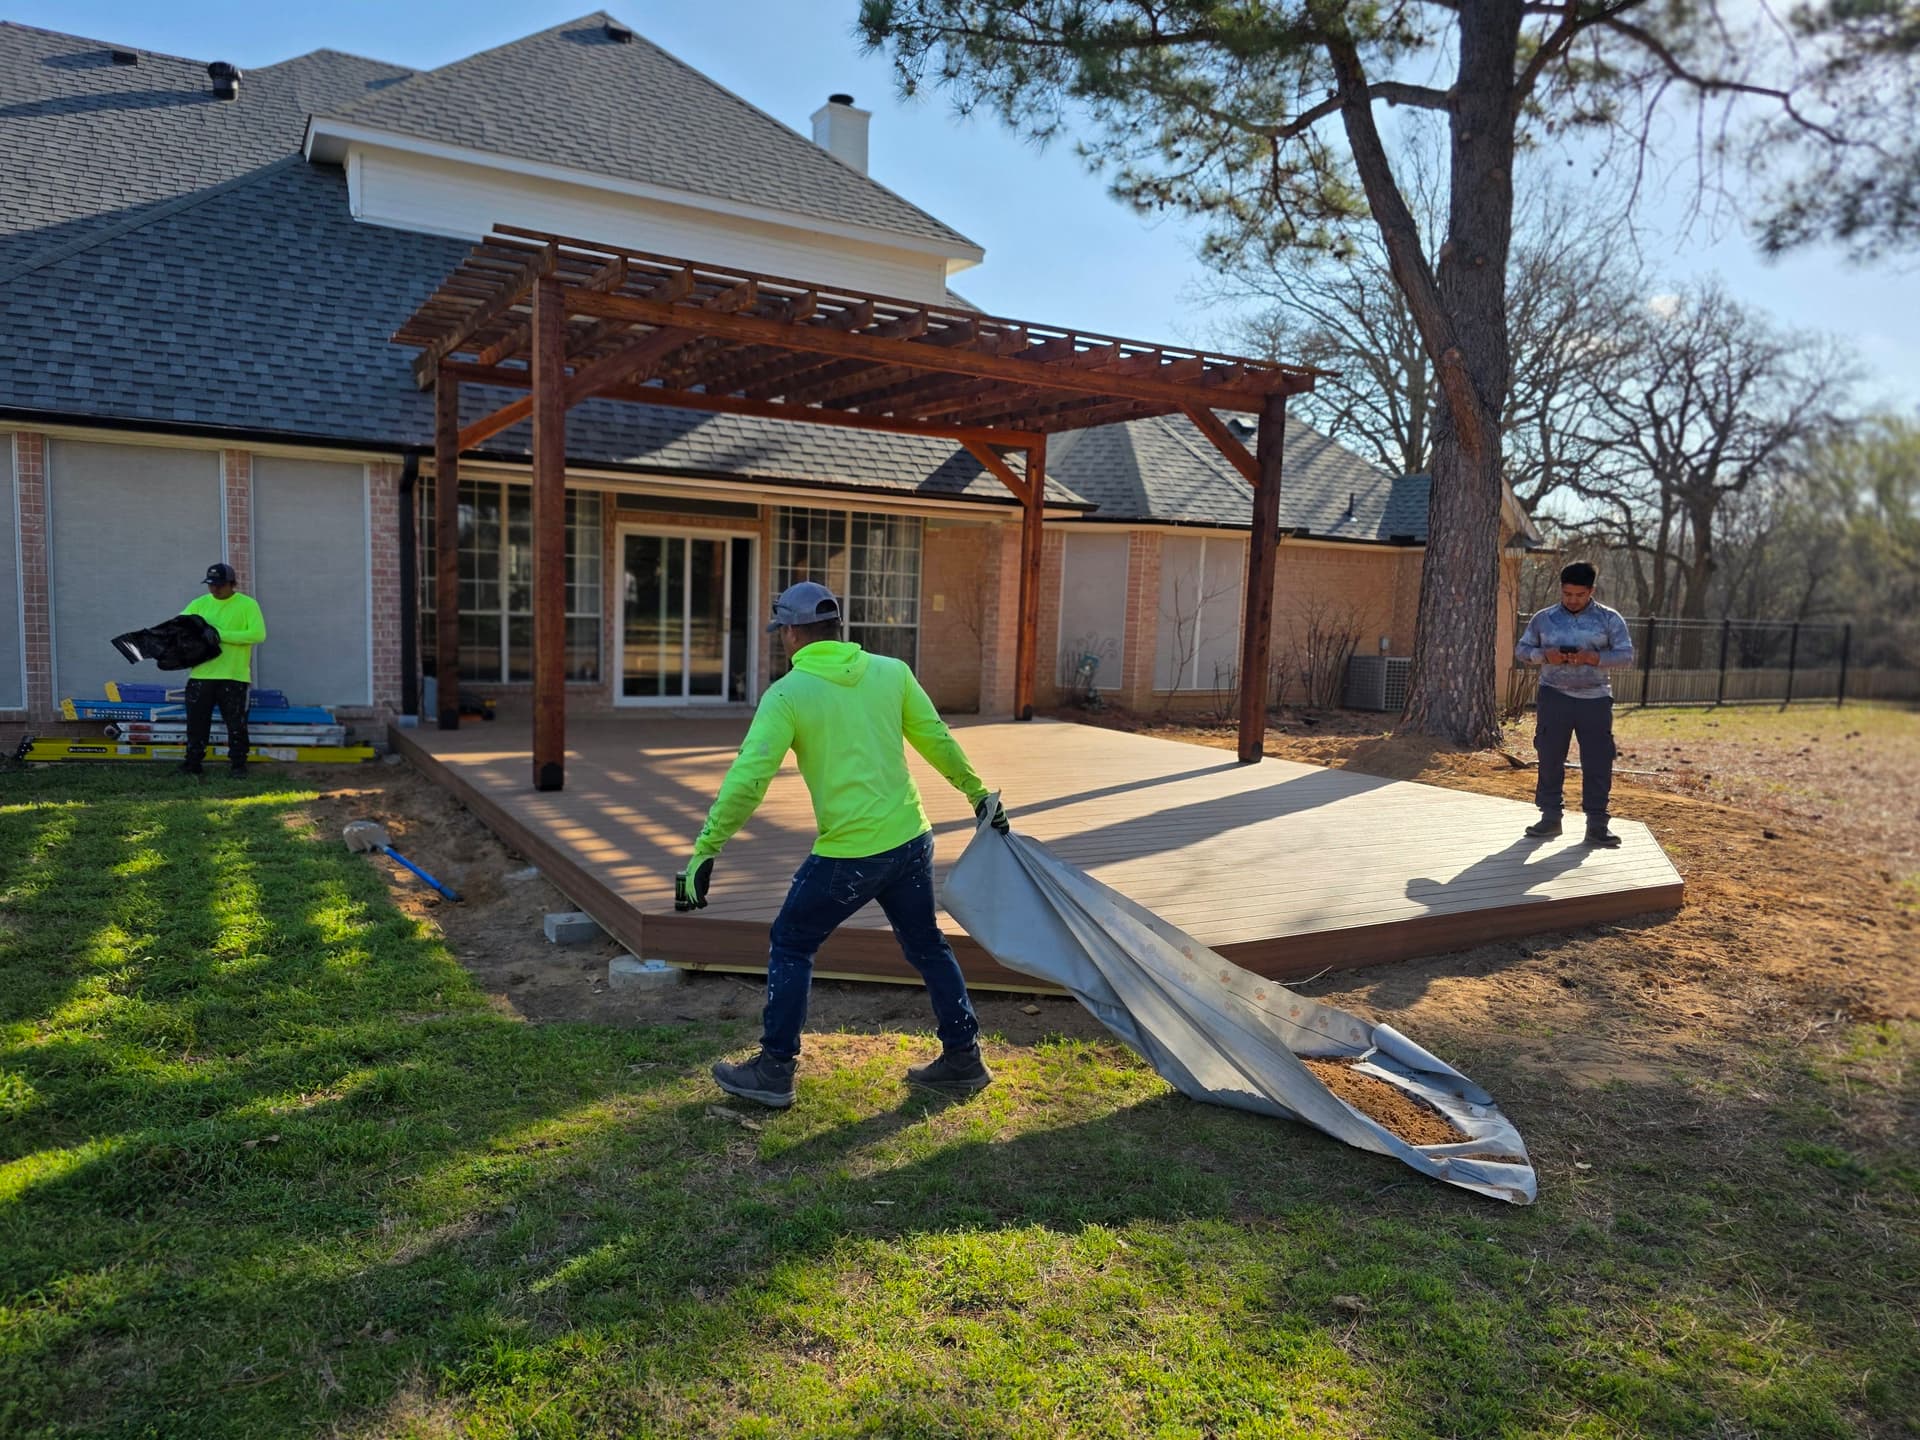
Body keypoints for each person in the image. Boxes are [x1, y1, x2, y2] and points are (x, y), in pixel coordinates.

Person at [682, 580, 1009, 1109]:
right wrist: (977, 794)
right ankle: (964, 1056)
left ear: (790, 632)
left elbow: (748, 780)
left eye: (781, 632)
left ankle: (774, 1070)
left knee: (792, 942)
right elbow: (936, 738)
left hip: (850, 855)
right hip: (910, 839)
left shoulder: (788, 694)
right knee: (926, 944)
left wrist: (707, 846)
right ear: (837, 629)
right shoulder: (891, 673)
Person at [1515, 562, 1635, 847]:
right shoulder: (1543, 619)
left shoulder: (1609, 619)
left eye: (1579, 595)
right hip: (1553, 696)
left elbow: (1626, 655)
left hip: (1595, 699)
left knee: (1597, 761)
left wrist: (1594, 658)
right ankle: (1550, 818)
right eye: (1567, 594)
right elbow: (1521, 649)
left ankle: (1596, 824)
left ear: (1591, 591)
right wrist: (1545, 655)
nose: (1572, 600)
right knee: (1549, 756)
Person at [177, 561, 267, 779]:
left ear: (232, 584)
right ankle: (193, 763)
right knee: (196, 723)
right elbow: (180, 626)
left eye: (219, 585)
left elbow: (257, 634)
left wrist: (219, 634)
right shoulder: (199, 604)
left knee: (236, 723)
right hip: (201, 675)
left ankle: (238, 765)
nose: (214, 589)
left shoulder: (247, 605)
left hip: (233, 676)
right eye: (211, 585)